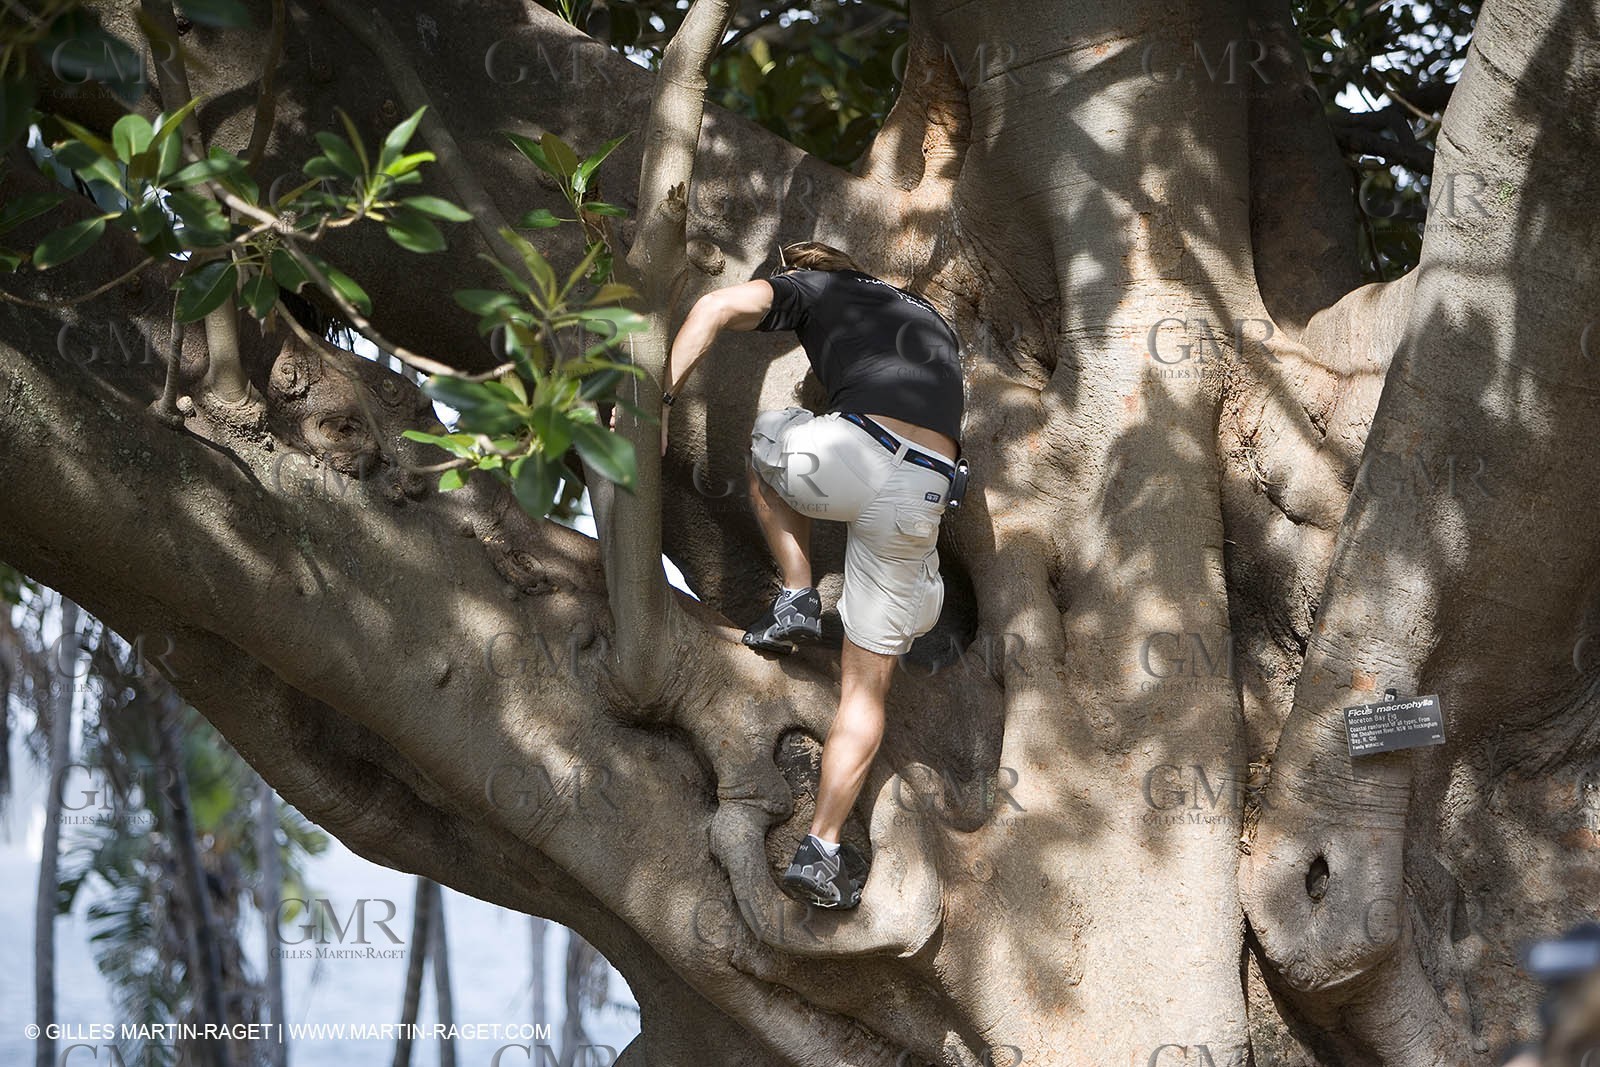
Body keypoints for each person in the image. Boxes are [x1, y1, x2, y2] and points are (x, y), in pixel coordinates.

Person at [660, 240, 966, 909]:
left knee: (769, 435)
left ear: (800, 269)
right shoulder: (927, 318)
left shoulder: (815, 287)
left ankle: (797, 593)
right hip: (926, 486)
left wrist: (658, 399)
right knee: (867, 686)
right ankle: (820, 848)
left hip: (857, 453)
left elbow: (715, 307)